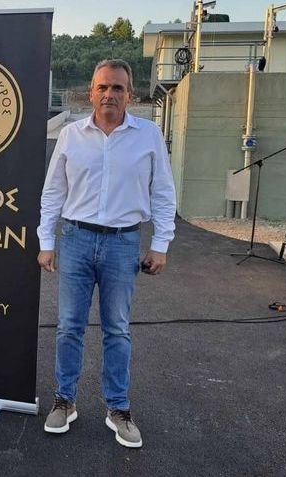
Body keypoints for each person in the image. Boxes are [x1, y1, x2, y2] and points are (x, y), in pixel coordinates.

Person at [37, 59, 176, 448]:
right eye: (102, 87)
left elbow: (163, 192)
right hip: (76, 239)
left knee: (117, 329)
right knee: (69, 326)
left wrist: (161, 245)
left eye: (117, 87)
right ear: (91, 92)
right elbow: (53, 191)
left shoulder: (148, 136)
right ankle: (65, 401)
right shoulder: (71, 136)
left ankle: (118, 409)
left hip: (122, 242)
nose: (109, 94)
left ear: (130, 94)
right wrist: (46, 242)